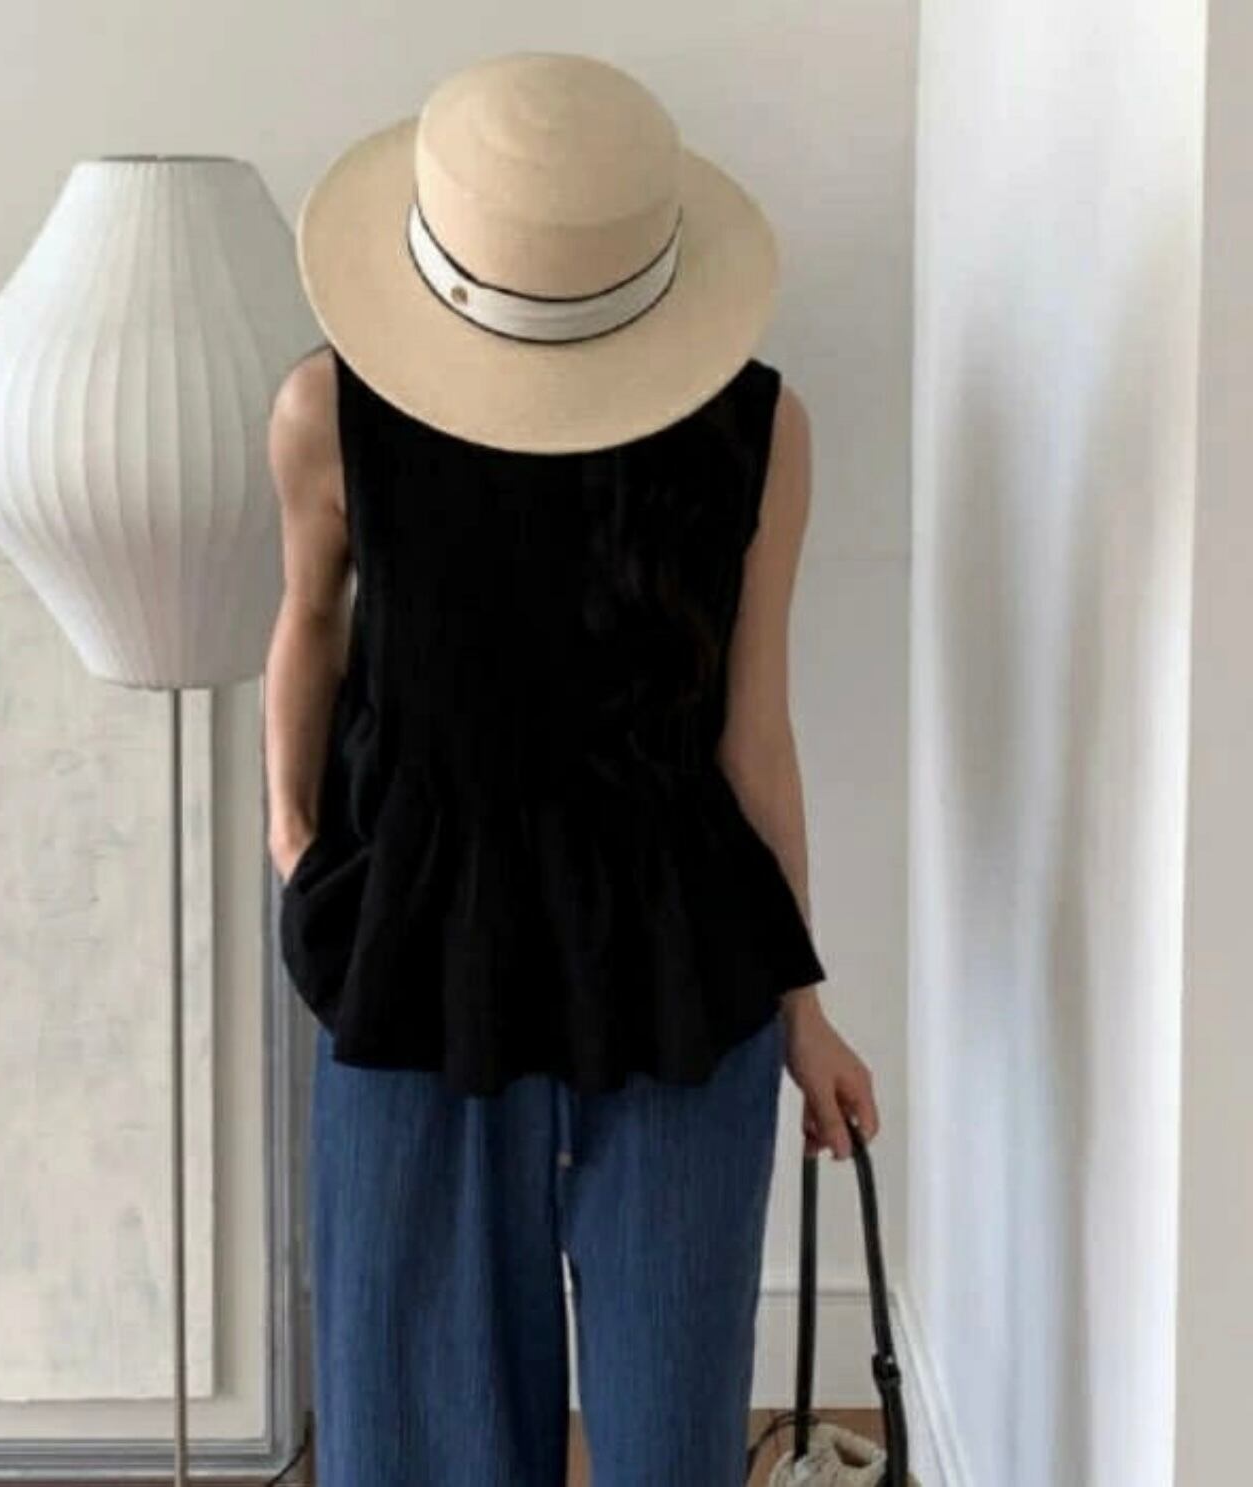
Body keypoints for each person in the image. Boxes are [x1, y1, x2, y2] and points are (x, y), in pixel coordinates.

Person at [263, 49, 880, 1487]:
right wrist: (298, 851)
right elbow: (305, 624)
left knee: (673, 1425)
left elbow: (754, 733)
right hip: (417, 954)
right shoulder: (329, 412)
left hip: (679, 958)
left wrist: (804, 1008)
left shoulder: (757, 432)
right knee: (418, 1430)